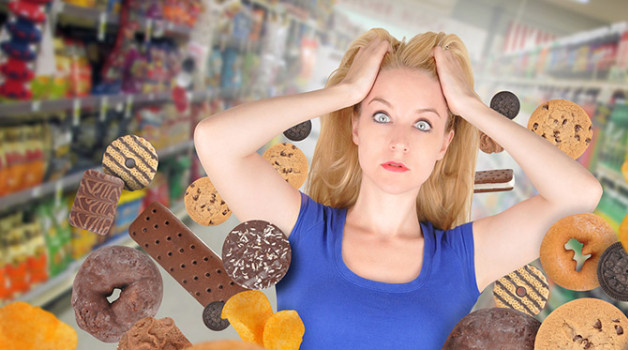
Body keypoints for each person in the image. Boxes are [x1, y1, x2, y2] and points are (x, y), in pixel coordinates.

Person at [194, 28, 602, 349]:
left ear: (445, 142)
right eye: (381, 116)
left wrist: (471, 107)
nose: (400, 141)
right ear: (355, 126)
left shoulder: (462, 260)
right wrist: (344, 93)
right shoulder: (303, 230)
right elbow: (215, 141)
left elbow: (579, 197)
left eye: (423, 123)